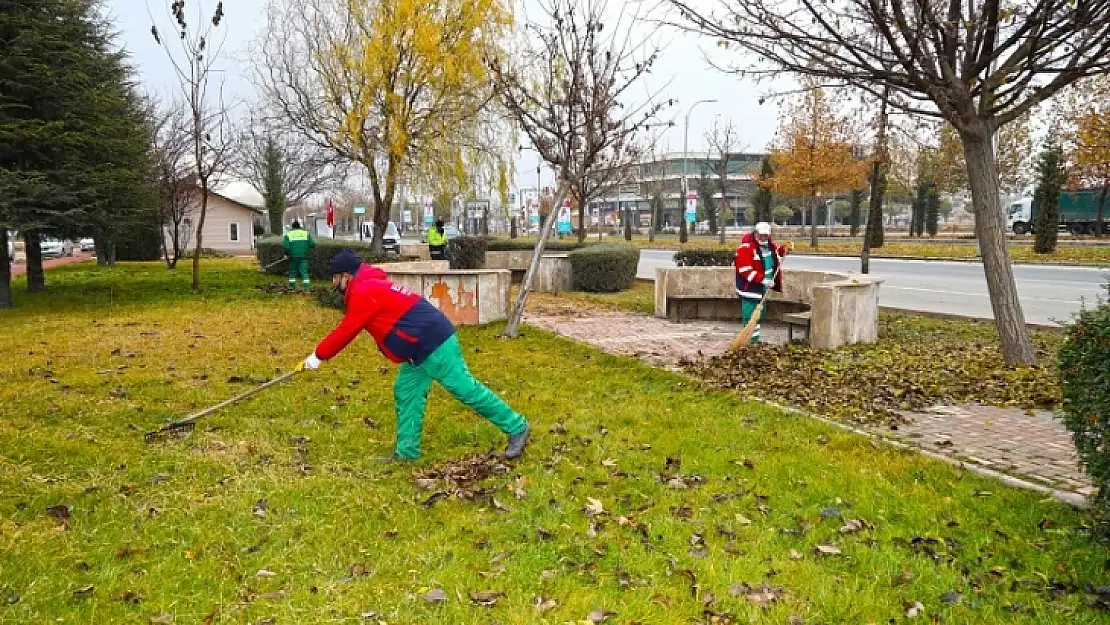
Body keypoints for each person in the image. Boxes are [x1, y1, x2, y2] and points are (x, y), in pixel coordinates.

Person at [299, 249, 531, 461]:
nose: (333, 283)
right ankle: (407, 453)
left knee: (466, 389)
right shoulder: (369, 284)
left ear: (346, 276)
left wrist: (318, 356)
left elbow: (347, 329)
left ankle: (516, 426)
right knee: (406, 391)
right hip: (416, 348)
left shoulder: (363, 290)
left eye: (335, 278)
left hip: (433, 342)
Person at [734, 222, 791, 344]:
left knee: (759, 316)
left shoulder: (770, 245)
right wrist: (762, 279)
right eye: (761, 235)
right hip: (750, 289)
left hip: (763, 289)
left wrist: (784, 249)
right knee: (750, 316)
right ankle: (749, 340)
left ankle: (755, 339)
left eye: (766, 235)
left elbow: (776, 254)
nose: (764, 238)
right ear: (755, 233)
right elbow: (744, 270)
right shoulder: (745, 248)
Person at [282, 220, 315, 292]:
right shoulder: (306, 234)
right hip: (304, 257)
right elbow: (312, 244)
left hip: (292, 257)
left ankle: (292, 288)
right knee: (304, 272)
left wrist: (286, 254)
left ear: (292, 227)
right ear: (299, 227)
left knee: (292, 272)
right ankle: (307, 288)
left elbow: (286, 247)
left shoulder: (288, 235)